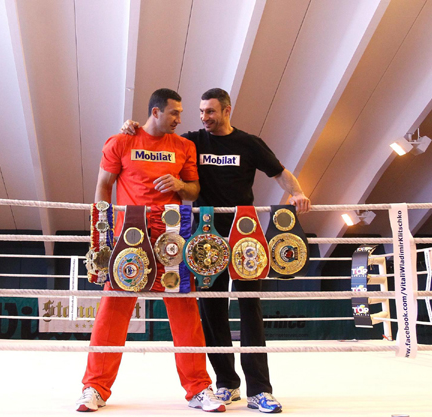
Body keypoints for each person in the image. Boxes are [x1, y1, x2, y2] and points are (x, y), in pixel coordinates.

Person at [121, 87, 311, 414]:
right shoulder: (193, 140)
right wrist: (133, 128)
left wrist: (298, 193)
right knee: (212, 313)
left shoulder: (249, 143)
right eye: (201, 112)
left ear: (227, 111)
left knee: (251, 310)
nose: (203, 117)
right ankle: (227, 383)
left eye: (210, 111)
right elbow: (159, 135)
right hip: (204, 239)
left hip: (243, 237)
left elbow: (280, 172)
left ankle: (260, 391)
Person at [77, 88, 226, 413]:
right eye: (174, 113)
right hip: (129, 239)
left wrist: (179, 186)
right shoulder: (121, 141)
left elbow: (193, 189)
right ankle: (94, 388)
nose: (180, 119)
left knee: (186, 315)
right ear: (156, 112)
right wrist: (105, 231)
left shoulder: (185, 146)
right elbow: (104, 183)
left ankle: (199, 389)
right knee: (111, 314)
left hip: (173, 237)